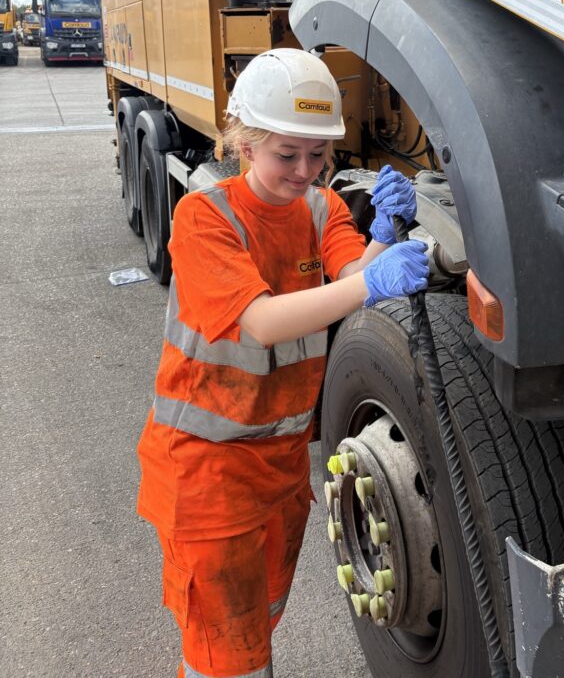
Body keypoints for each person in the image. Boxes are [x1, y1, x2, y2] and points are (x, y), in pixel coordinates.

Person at [136, 48, 429, 678]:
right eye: (287, 155)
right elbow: (264, 321)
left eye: (318, 155)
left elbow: (352, 272)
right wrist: (375, 280)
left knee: (251, 634)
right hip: (207, 478)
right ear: (243, 143)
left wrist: (385, 230)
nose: (305, 171)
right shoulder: (205, 218)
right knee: (227, 654)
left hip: (279, 472)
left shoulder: (319, 209)